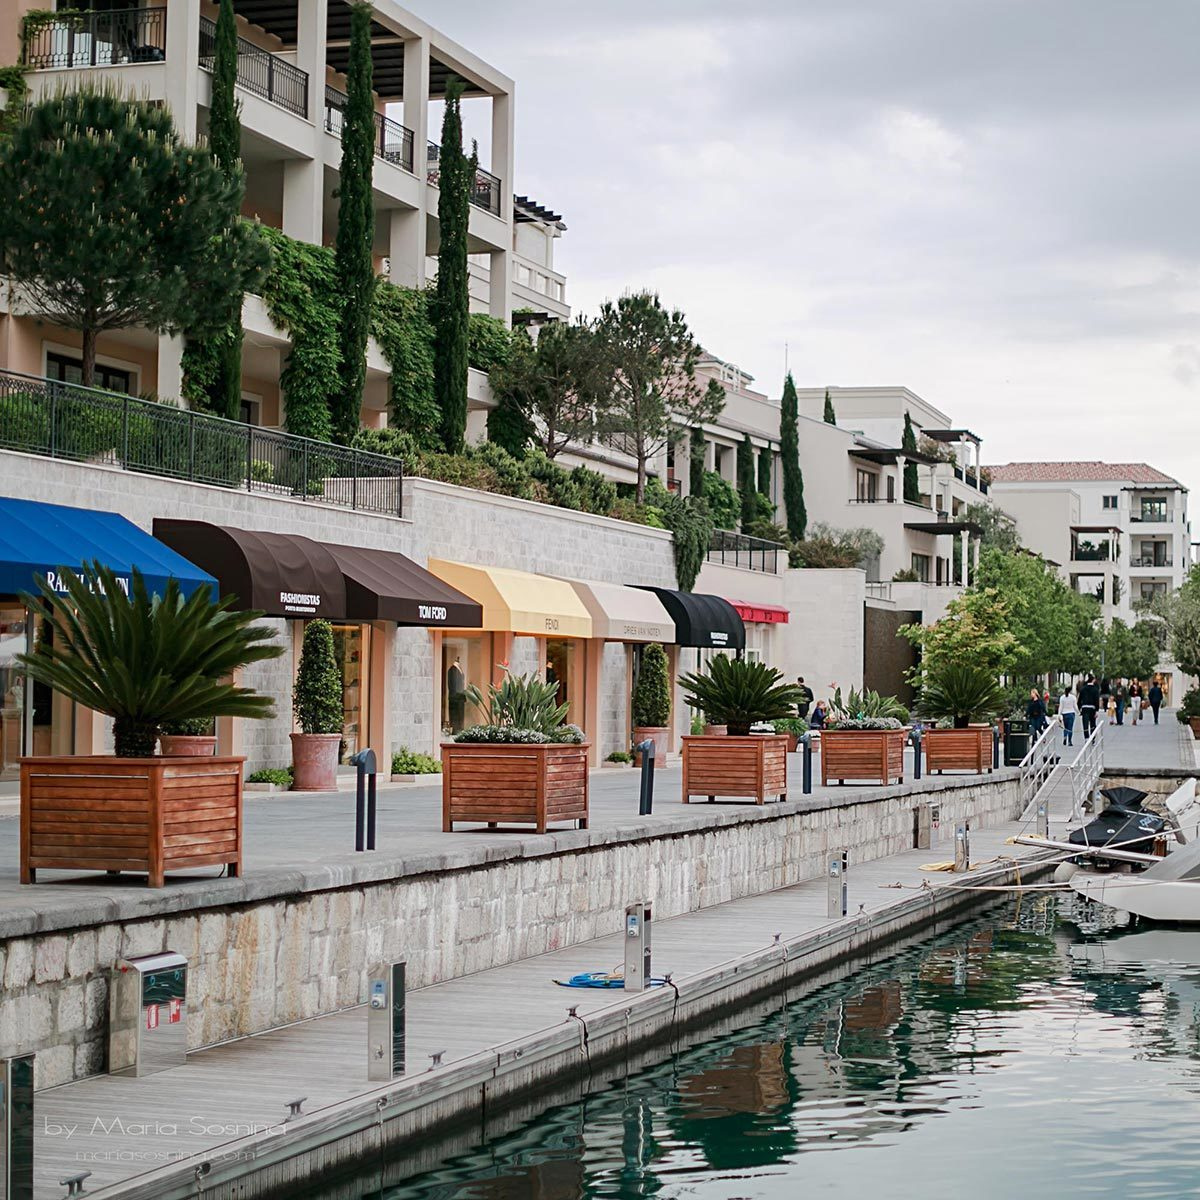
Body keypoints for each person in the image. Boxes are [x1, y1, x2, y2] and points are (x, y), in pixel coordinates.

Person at [1078, 674, 1100, 739]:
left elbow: (1079, 700)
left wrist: (1079, 708)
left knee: (1085, 724)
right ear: (1093, 680)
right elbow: (1096, 700)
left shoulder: (1083, 689)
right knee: (1092, 724)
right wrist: (1097, 710)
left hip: (1084, 708)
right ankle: (1092, 738)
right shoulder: (1095, 690)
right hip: (1092, 708)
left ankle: (1086, 737)